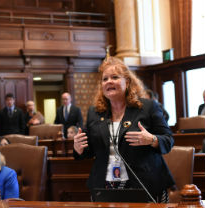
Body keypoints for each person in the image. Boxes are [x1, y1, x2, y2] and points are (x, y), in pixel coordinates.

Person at [73, 57, 175, 202]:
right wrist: (79, 148)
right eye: (105, 79)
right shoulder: (95, 113)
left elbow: (169, 140)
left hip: (144, 184)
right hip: (105, 186)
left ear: (127, 82)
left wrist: (152, 139)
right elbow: (91, 150)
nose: (109, 81)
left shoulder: (147, 107)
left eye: (114, 77)